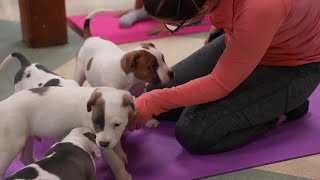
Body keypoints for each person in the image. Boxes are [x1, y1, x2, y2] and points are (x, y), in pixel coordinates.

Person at [127, 0, 320, 154]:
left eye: (176, 24)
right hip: (248, 36)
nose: (171, 27)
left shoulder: (260, 8)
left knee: (194, 133)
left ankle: (284, 108)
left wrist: (154, 102)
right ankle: (268, 104)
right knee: (156, 90)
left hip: (295, 64)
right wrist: (217, 28)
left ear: (204, 6)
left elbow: (219, 84)